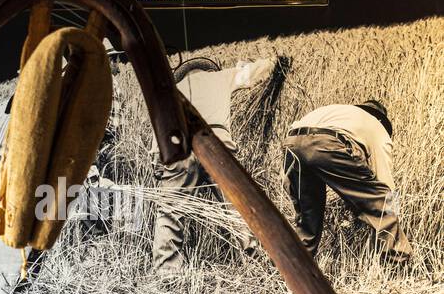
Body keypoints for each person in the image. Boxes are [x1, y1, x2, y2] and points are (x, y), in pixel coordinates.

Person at [151, 56, 275, 270]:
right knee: (237, 205)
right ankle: (254, 263)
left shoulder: (170, 91)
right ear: (207, 70)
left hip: (177, 145)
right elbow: (258, 72)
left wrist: (159, 164)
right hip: (216, 141)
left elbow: (159, 131)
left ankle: (167, 272)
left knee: (170, 212)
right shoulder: (220, 77)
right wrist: (267, 61)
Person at [282, 100, 412, 262]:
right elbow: (386, 186)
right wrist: (393, 213)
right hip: (327, 143)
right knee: (382, 204)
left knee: (308, 220)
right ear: (380, 120)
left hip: (292, 142)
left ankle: (293, 267)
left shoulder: (336, 112)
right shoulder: (376, 127)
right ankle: (398, 260)